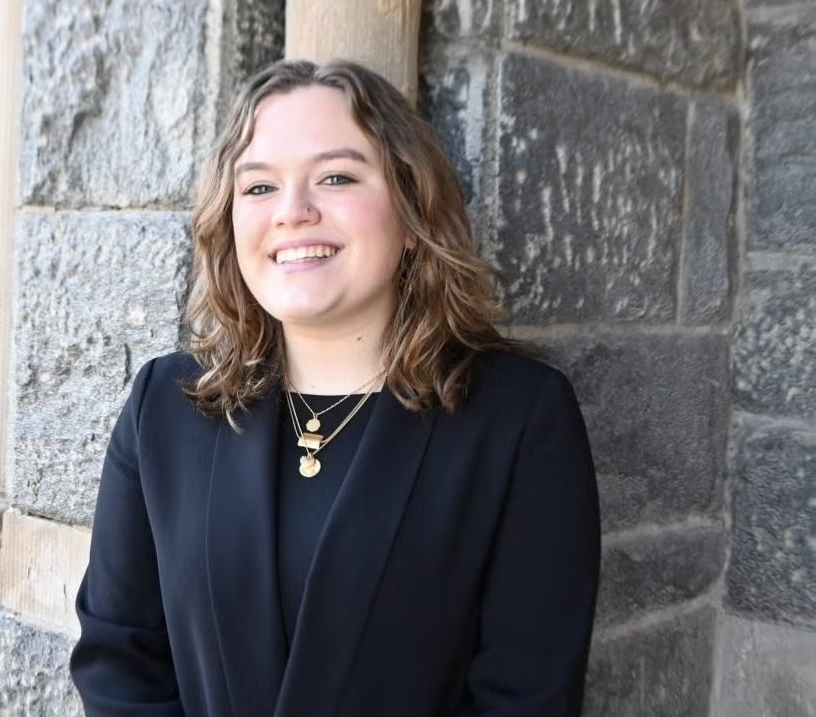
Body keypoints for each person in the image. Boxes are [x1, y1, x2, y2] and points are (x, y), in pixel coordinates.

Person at [70, 59, 601, 717]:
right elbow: (121, 661)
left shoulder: (519, 419)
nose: (293, 213)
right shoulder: (164, 406)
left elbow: (527, 698)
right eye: (259, 188)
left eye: (337, 177)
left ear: (411, 216)